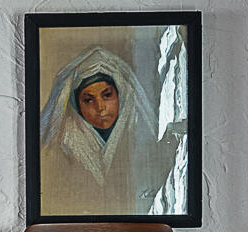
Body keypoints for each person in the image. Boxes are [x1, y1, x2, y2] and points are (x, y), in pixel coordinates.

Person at [39, 41, 187, 215]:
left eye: (107, 95)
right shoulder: (61, 145)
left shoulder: (141, 137)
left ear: (121, 95)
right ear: (76, 104)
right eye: (88, 100)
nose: (100, 107)